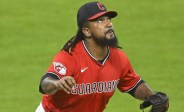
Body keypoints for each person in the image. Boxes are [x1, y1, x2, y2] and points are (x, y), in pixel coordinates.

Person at [36, 2, 169, 112]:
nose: (109, 24)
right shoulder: (70, 57)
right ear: (86, 31)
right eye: (100, 20)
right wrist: (57, 83)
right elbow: (45, 84)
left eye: (108, 19)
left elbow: (133, 84)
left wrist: (152, 96)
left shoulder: (118, 58)